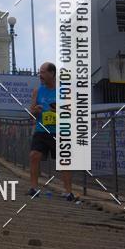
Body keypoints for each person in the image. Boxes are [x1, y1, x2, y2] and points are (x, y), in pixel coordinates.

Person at [28, 61, 80, 203]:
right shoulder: (37, 91)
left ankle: (68, 192)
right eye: (40, 72)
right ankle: (33, 188)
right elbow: (31, 113)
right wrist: (35, 111)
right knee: (34, 155)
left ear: (52, 73)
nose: (40, 75)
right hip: (41, 130)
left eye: (43, 72)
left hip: (60, 131)